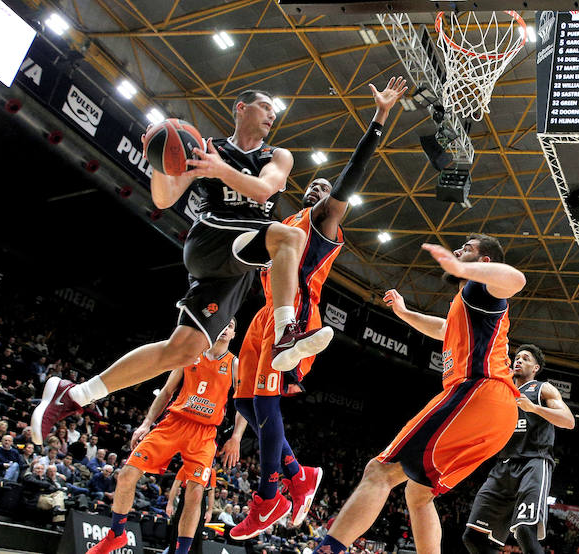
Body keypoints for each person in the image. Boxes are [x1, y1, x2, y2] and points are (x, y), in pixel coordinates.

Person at [31, 87, 332, 445]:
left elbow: (263, 190)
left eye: (273, 110)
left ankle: (75, 394)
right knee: (289, 238)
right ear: (241, 109)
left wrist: (220, 171)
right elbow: (164, 198)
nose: (271, 115)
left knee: (182, 350)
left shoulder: (277, 155)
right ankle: (286, 334)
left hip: (240, 260)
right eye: (264, 106)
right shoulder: (205, 148)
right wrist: (159, 162)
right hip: (211, 238)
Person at [229, 76, 408, 541]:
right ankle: (298, 473)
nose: (317, 190)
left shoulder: (323, 220)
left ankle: (269, 496)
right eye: (313, 185)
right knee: (245, 401)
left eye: (325, 188)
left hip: (297, 316)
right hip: (262, 316)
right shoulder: (284, 222)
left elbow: (352, 173)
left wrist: (379, 120)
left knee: (266, 400)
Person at [314, 235, 527, 553]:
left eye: (467, 249)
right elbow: (443, 330)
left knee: (380, 471)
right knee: (418, 493)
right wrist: (404, 314)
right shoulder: (467, 304)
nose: (458, 251)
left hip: (479, 391)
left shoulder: (481, 288)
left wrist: (459, 267)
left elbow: (516, 279)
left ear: (485, 262)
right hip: (498, 413)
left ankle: (327, 550)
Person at [86, 321, 238, 554]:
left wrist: (236, 437)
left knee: (196, 492)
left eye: (230, 326)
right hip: (174, 423)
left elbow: (245, 402)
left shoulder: (234, 364)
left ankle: (181, 552)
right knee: (126, 474)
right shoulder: (192, 353)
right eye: (223, 324)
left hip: (204, 433)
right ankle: (116, 535)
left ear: (233, 334)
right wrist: (146, 423)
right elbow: (167, 391)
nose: (225, 329)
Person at [463, 344, 575, 553]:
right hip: (502, 466)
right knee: (472, 537)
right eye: (517, 357)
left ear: (536, 368)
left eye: (525, 358)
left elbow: (568, 421)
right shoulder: (501, 392)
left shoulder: (542, 389)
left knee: (524, 531)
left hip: (533, 462)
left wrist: (533, 408)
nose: (519, 360)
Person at [163, 463, 217, 554]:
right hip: (185, 498)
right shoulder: (186, 466)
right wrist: (170, 504)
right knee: (177, 529)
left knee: (198, 532)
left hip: (201, 501)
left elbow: (211, 493)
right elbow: (175, 485)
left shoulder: (211, 471)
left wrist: (210, 511)